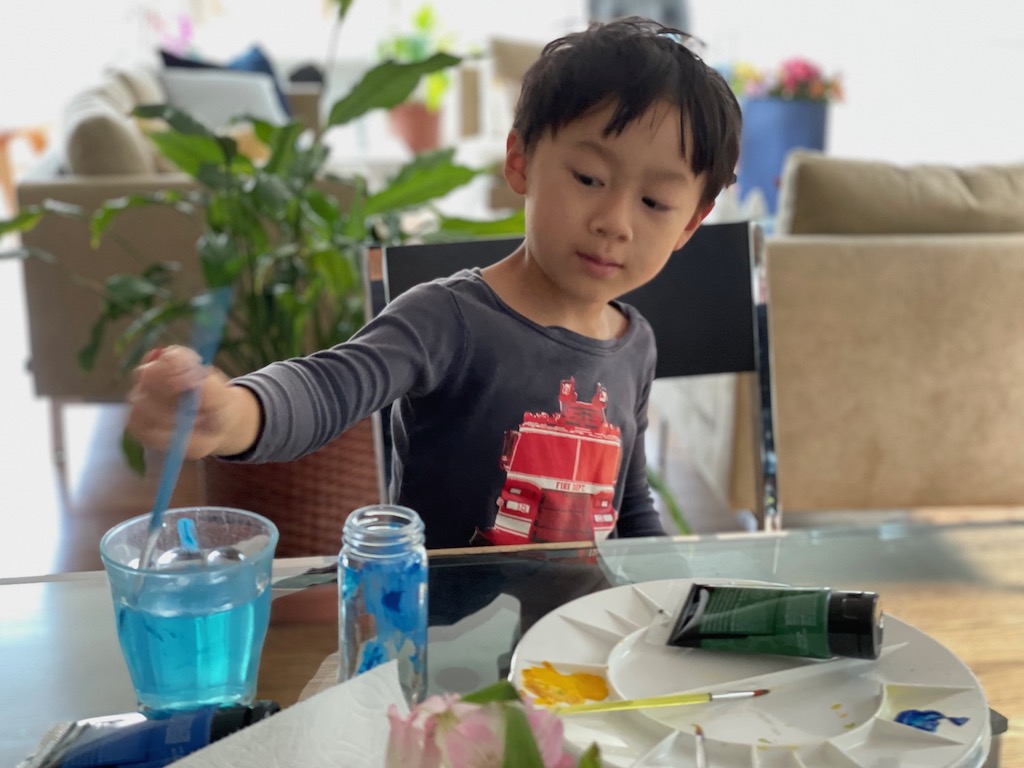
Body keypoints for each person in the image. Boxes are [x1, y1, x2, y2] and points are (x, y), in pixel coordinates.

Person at [127, 16, 742, 549]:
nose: (614, 222)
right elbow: (329, 386)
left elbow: (629, 508)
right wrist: (233, 412)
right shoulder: (447, 319)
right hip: (450, 650)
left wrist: (665, 597)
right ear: (520, 161)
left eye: (655, 202)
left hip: (581, 654)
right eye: (587, 177)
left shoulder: (636, 344)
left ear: (690, 223)